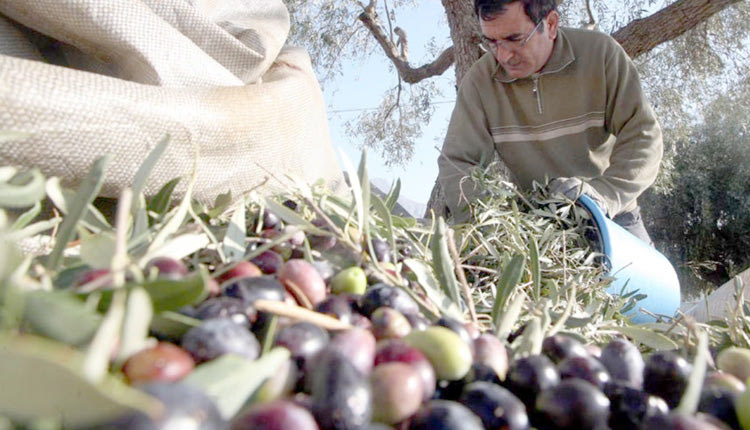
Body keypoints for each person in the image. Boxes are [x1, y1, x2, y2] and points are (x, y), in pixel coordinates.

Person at [437, 0, 662, 244]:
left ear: (551, 24)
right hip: (535, 229)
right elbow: (457, 162)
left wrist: (603, 196)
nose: (502, 55)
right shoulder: (479, 82)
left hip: (613, 215)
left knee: (655, 283)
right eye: (492, 42)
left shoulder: (601, 54)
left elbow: (643, 134)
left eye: (515, 39)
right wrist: (497, 224)